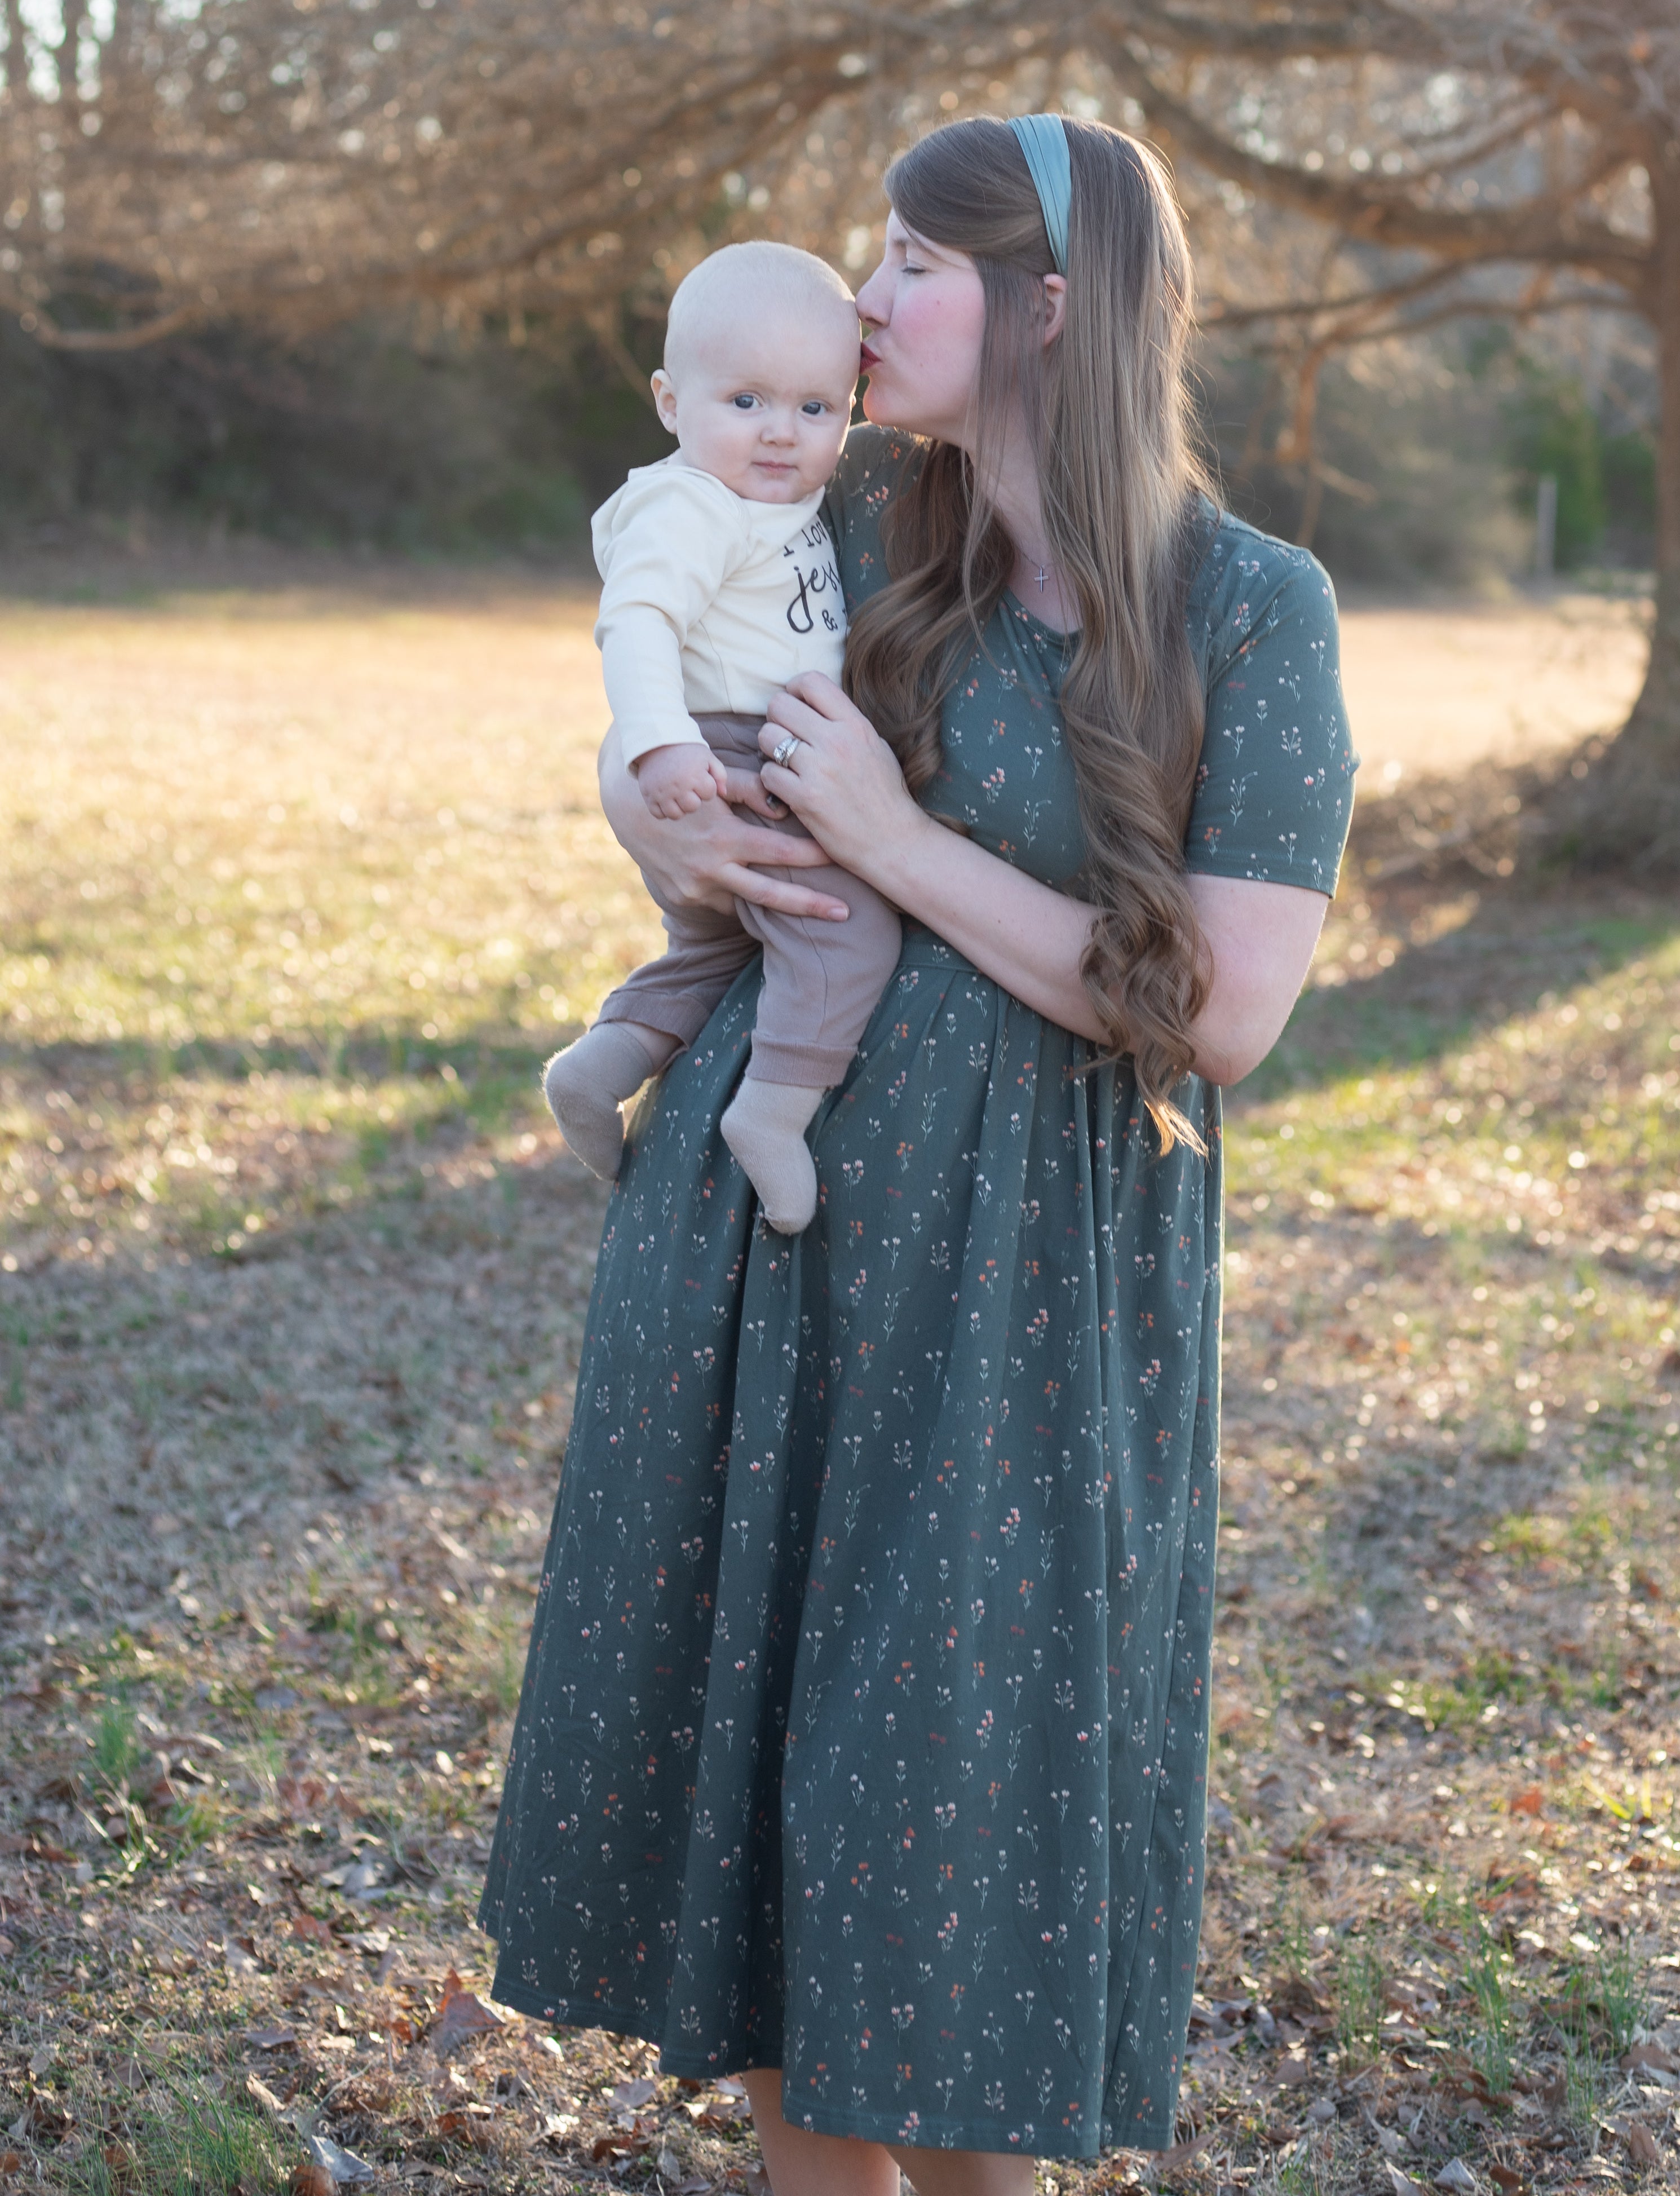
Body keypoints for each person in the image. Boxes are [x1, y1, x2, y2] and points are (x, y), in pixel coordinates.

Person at [480, 114, 1356, 2193]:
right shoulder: (847, 509)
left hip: (1030, 1299)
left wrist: (898, 845)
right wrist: (660, 807)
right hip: (775, 1248)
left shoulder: (1246, 607)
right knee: (776, 1812)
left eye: (912, 263)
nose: (860, 303)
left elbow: (1220, 1016)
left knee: (961, 1838)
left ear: (1049, 307)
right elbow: (659, 712)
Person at [542, 239, 901, 1234]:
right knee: (847, 935)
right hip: (732, 758)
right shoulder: (693, 504)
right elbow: (638, 618)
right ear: (669, 403)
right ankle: (773, 1117)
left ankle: (598, 1065)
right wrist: (658, 746)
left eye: (814, 408)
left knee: (709, 958)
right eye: (745, 402)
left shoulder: (785, 500)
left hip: (745, 754)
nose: (780, 433)